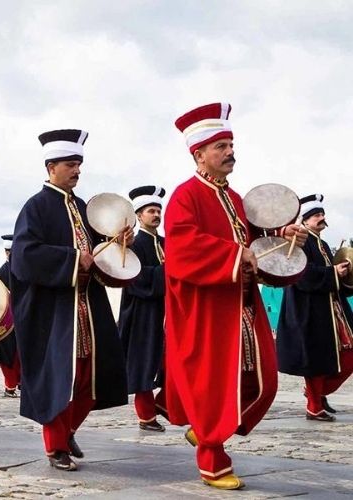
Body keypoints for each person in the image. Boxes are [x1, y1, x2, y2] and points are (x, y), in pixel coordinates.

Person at [164, 102, 307, 489]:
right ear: (199, 154)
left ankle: (209, 431)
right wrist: (235, 255)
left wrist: (283, 239)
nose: (230, 151)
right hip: (207, 309)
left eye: (230, 144)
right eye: (220, 146)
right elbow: (181, 250)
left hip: (243, 306)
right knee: (214, 387)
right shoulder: (184, 197)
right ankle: (213, 459)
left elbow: (255, 244)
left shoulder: (237, 199)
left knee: (264, 382)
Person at [10, 129, 131, 471]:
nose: (77, 170)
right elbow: (25, 256)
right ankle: (55, 446)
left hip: (88, 308)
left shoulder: (82, 206)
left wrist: (118, 242)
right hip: (54, 312)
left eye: (79, 164)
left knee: (91, 377)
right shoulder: (35, 207)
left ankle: (68, 430)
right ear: (51, 167)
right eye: (70, 164)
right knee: (60, 378)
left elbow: (99, 251)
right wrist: (75, 260)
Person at [277, 194, 353, 421]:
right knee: (316, 361)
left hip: (331, 310)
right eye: (316, 216)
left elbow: (333, 280)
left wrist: (345, 275)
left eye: (322, 215)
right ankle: (314, 405)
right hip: (308, 311)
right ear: (306, 220)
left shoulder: (321, 243)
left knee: (344, 357)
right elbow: (302, 275)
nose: (322, 218)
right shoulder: (299, 242)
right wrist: (333, 273)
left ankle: (317, 393)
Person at [118, 186, 166, 431]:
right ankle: (146, 415)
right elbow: (134, 276)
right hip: (142, 313)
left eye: (159, 210)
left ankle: (166, 404)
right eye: (151, 211)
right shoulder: (133, 245)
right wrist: (167, 272)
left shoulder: (167, 243)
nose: (156, 215)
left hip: (166, 312)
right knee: (144, 362)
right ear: (139, 215)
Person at [0, 234, 20, 397]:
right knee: (14, 353)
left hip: (5, 319)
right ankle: (14, 384)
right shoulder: (18, 269)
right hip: (15, 318)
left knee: (10, 353)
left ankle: (11, 385)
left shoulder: (2, 270)